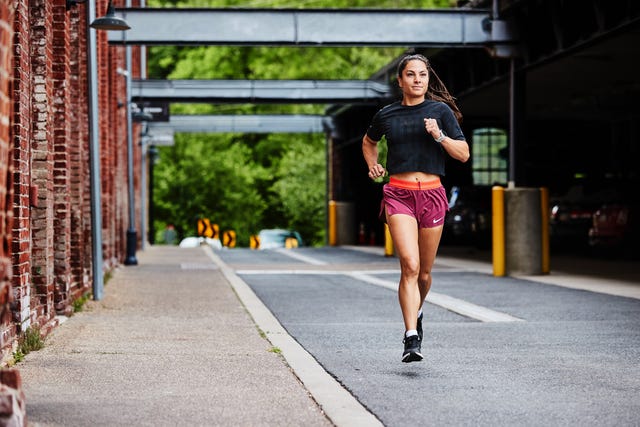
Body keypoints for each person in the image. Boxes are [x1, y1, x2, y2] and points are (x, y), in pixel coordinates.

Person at [362, 54, 470, 363]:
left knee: (423, 273)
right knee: (409, 265)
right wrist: (373, 164)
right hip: (398, 194)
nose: (418, 79)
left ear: (427, 79)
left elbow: (462, 154)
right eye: (411, 75)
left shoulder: (440, 112)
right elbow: (368, 142)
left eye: (422, 74)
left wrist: (439, 135)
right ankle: (411, 337)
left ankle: (418, 310)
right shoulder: (387, 114)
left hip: (432, 195)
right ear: (401, 81)